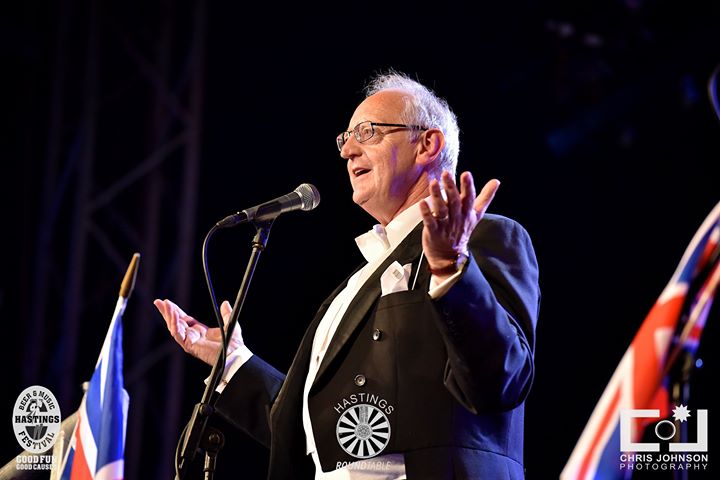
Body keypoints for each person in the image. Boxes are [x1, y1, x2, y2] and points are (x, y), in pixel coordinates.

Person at [154, 72, 540, 479]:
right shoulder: (354, 285)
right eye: (345, 138)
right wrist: (232, 363)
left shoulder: (485, 238)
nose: (348, 151)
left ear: (427, 145)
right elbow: (318, 429)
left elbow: (502, 379)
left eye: (368, 132)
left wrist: (450, 269)